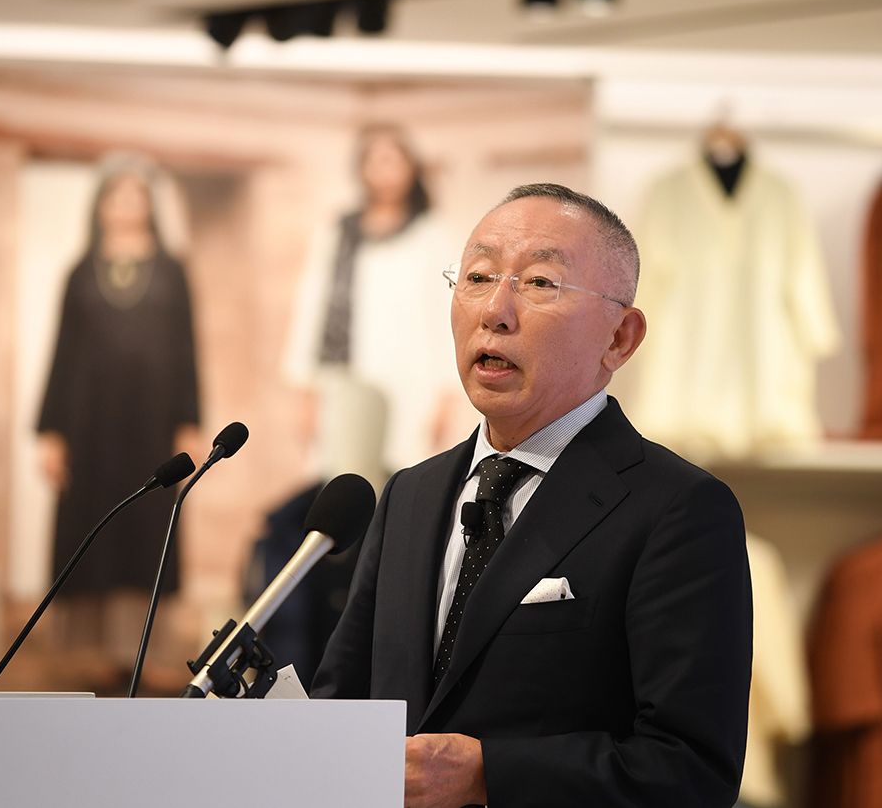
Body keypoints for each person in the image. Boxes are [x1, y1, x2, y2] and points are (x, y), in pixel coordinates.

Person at [312, 183, 752, 808]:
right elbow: (343, 707)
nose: (496, 311)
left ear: (620, 338)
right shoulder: (411, 494)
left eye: (541, 283)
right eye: (478, 277)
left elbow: (692, 770)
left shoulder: (678, 510)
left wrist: (487, 774)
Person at [36, 157, 200, 672]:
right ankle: (87, 657)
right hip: (87, 425)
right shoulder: (79, 272)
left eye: (137, 195)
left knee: (147, 528)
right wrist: (51, 432)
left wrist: (190, 421)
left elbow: (188, 351)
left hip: (153, 424)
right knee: (91, 527)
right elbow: (61, 353)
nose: (126, 205)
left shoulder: (173, 271)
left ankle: (141, 653)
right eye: (116, 195)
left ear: (150, 206)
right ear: (100, 206)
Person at [282, 123, 462, 473]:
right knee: (344, 479)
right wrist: (306, 392)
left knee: (403, 480)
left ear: (411, 168)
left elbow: (447, 313)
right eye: (376, 161)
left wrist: (447, 395)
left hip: (411, 384)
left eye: (393, 160)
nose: (385, 171)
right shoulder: (339, 232)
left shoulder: (431, 234)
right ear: (361, 168)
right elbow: (312, 309)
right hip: (343, 380)